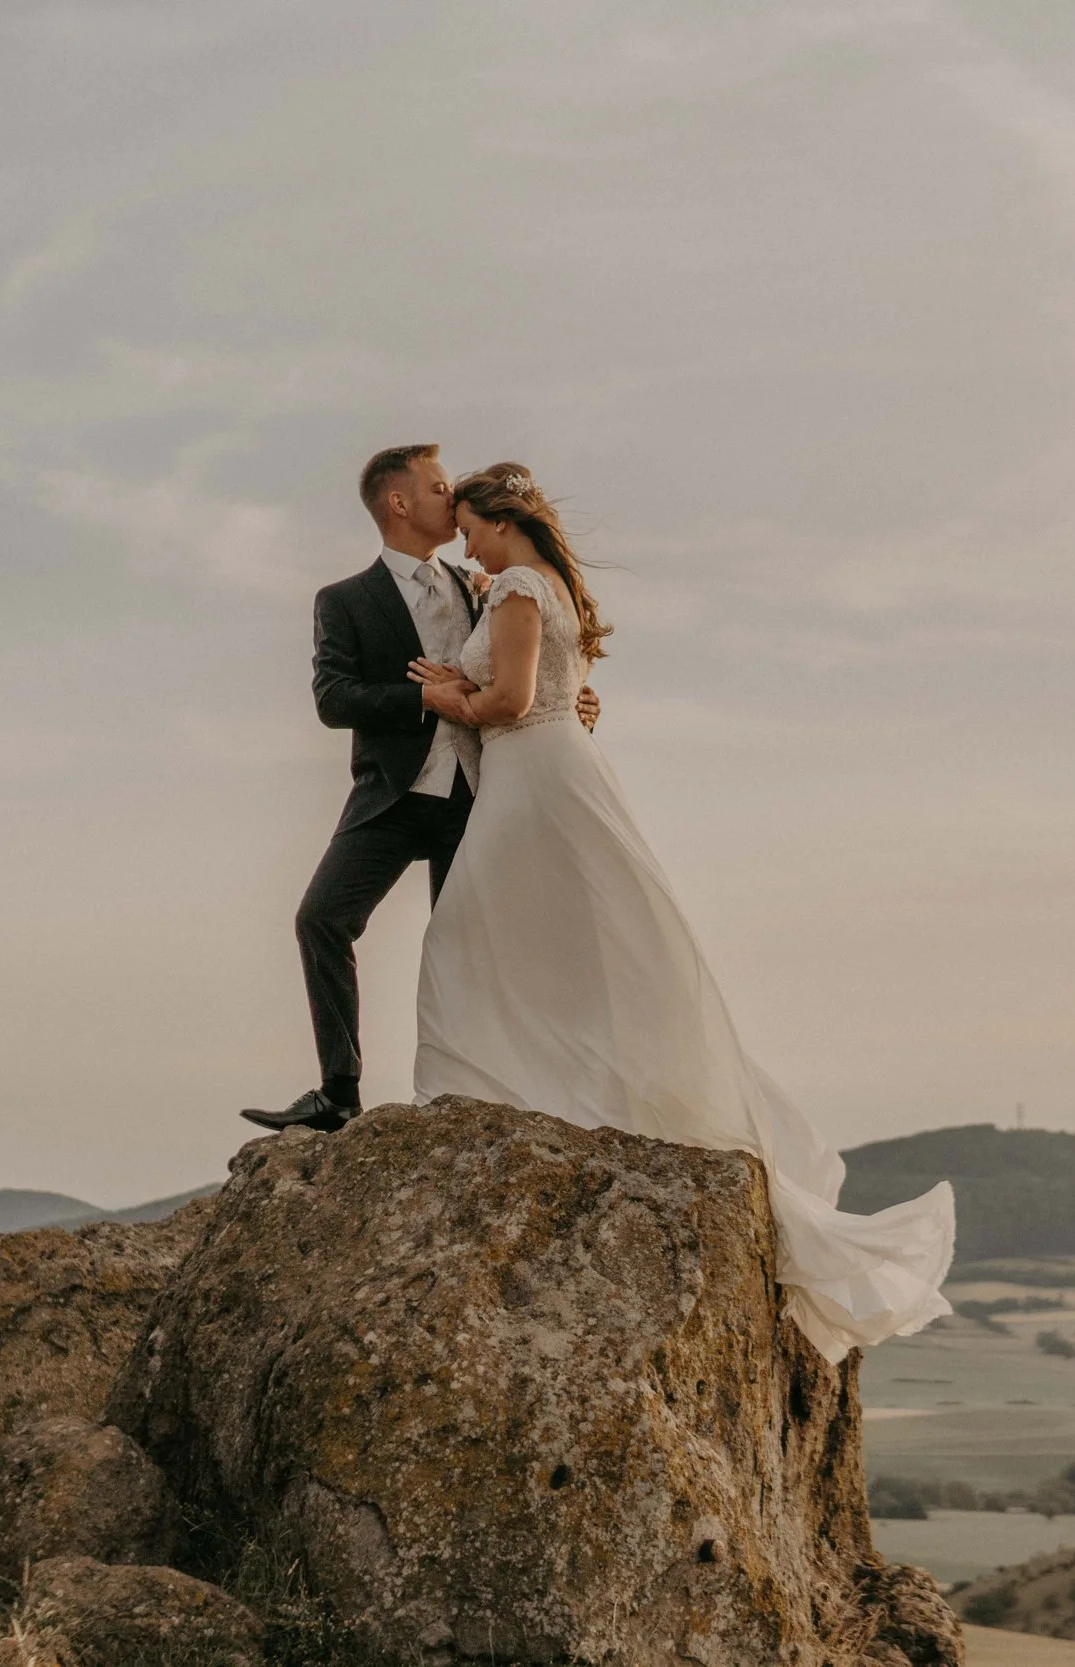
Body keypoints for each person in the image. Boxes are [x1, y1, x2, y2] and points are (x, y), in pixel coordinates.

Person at [407, 463, 954, 1359]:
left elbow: (505, 701)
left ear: (500, 523)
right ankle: (544, 1086)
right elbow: (548, 687)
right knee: (578, 946)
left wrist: (439, 694)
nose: (463, 542)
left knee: (471, 934)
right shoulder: (547, 588)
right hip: (555, 772)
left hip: (531, 780)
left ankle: (507, 1087)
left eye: (469, 525)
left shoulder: (510, 583)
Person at [243, 445, 596, 1135]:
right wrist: (424, 700)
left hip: (481, 796)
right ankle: (338, 1093)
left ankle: (490, 1087)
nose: (452, 494)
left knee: (472, 943)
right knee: (321, 917)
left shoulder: (486, 583)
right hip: (394, 794)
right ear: (400, 503)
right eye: (439, 486)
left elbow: (535, 660)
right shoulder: (344, 600)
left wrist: (576, 699)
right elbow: (333, 698)